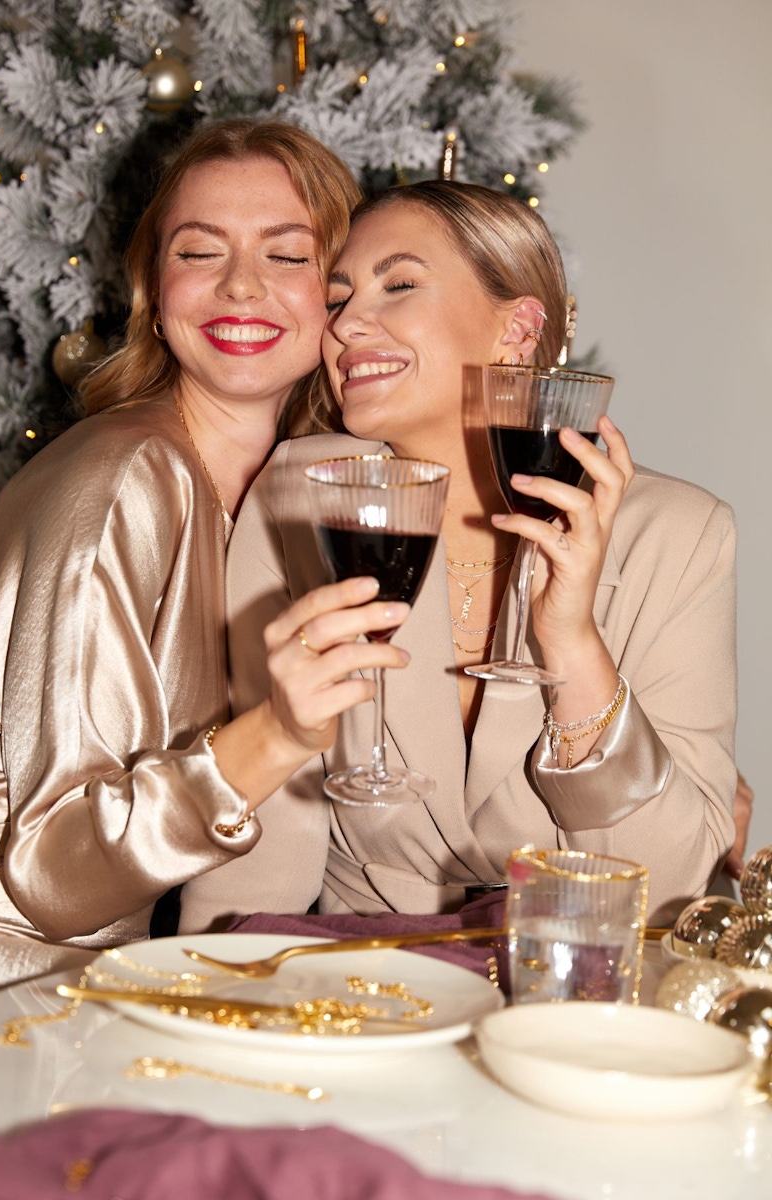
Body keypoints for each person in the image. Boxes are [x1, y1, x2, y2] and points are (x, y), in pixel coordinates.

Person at [180, 180, 737, 930]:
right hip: (369, 972)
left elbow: (670, 888)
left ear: (518, 328)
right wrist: (215, 981)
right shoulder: (305, 497)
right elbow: (266, 840)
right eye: (338, 299)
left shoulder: (678, 534)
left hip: (584, 973)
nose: (345, 326)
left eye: (399, 285)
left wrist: (572, 646)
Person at [0, 118, 418, 995]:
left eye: (286, 256)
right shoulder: (122, 479)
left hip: (131, 969)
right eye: (200, 252)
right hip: (13, 982)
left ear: (337, 299)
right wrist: (276, 735)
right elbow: (56, 874)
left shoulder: (297, 498)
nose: (240, 285)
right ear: (154, 290)